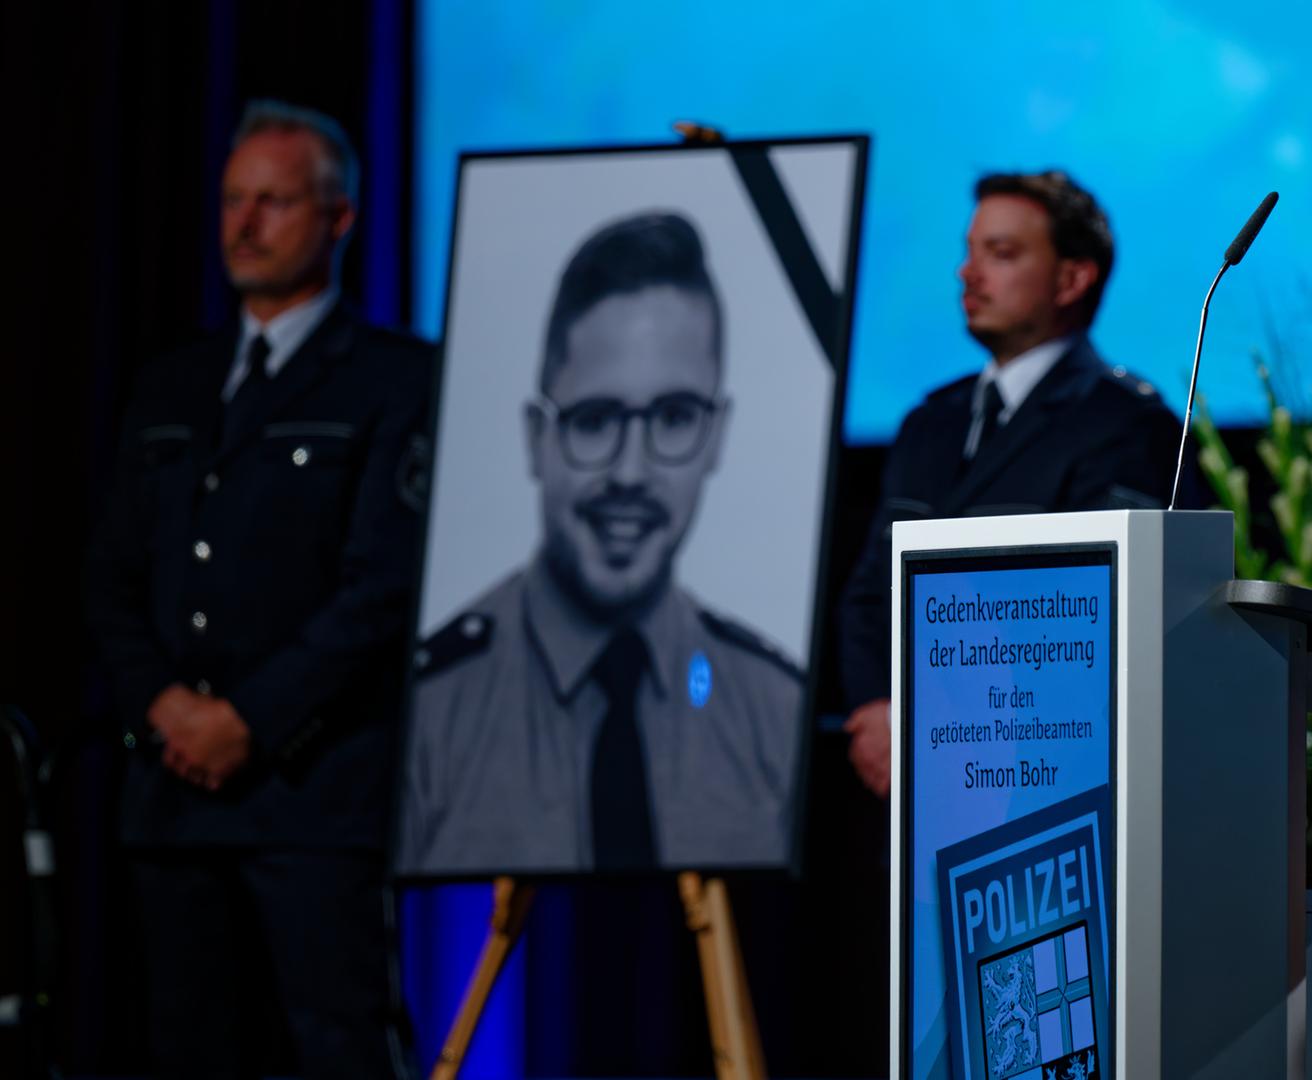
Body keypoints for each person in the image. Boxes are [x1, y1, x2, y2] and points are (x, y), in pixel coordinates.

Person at [87, 100, 430, 1079]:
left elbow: (383, 588)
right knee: (188, 1051)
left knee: (341, 1047)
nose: (243, 224)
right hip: (174, 796)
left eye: (273, 202)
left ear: (340, 218)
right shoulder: (173, 383)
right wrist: (165, 707)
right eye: (233, 200)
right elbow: (112, 576)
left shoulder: (394, 380)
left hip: (313, 795)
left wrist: (247, 720)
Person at [399, 210, 804, 875]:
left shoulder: (776, 713)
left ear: (718, 434)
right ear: (537, 437)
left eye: (675, 418)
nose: (631, 472)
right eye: (595, 420)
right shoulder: (430, 714)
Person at [838, 170, 1194, 797]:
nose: (966, 274)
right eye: (969, 252)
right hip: (907, 790)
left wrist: (944, 726)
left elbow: (1094, 619)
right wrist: (875, 708)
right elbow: (872, 594)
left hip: (1040, 779)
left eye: (1000, 254)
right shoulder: (929, 422)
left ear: (1072, 278)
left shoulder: (1129, 424)